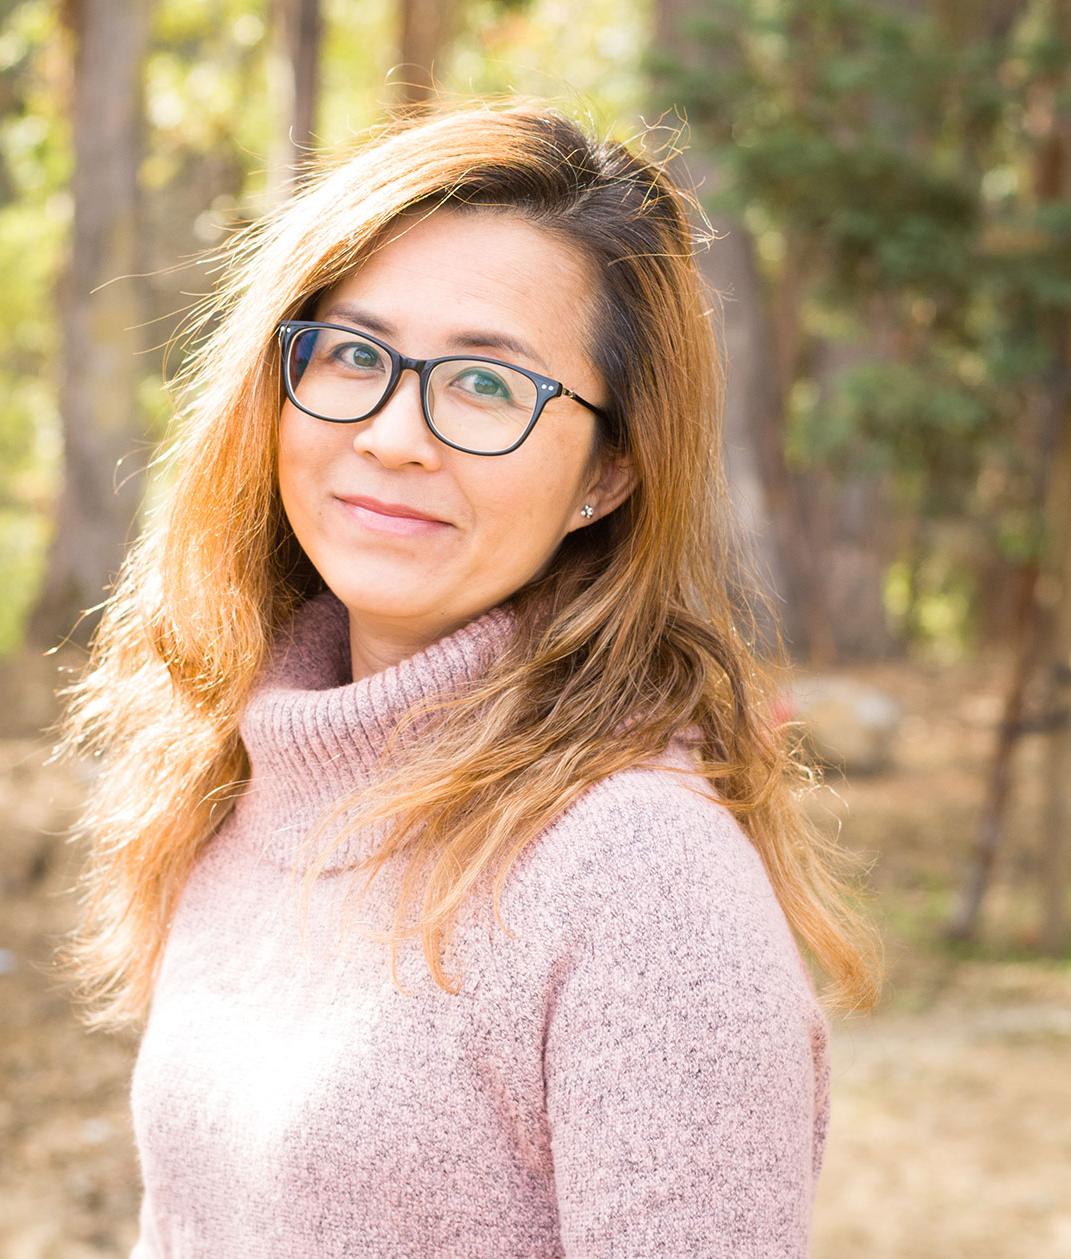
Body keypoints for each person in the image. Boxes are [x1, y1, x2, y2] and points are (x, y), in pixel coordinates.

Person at [63, 102, 879, 1257]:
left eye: (487, 386)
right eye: (353, 354)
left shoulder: (639, 878)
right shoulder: (238, 780)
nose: (395, 433)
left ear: (609, 473)